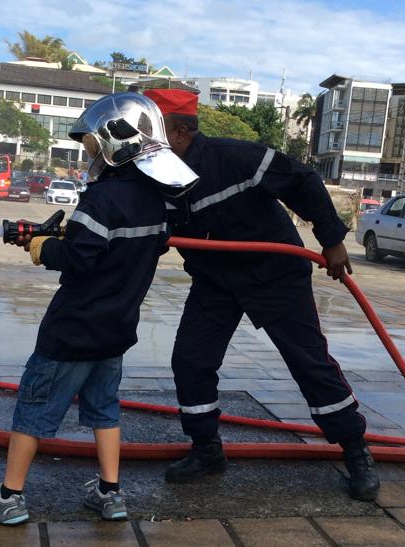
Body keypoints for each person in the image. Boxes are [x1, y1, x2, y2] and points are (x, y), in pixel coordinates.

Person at [0, 93, 198, 525]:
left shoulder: (100, 199)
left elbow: (80, 259)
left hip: (70, 332)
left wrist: (42, 247)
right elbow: (119, 247)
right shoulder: (158, 202)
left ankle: (8, 496)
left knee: (33, 408)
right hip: (115, 331)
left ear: (117, 142)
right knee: (105, 410)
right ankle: (111, 493)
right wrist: (64, 237)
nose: (90, 153)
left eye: (92, 146)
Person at [145, 88, 380, 501]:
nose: (143, 143)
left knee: (308, 362)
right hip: (215, 280)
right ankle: (206, 450)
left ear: (180, 132)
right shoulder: (159, 175)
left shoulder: (234, 157)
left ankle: (356, 450)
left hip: (275, 275)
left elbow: (302, 180)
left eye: (151, 131)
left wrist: (331, 240)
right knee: (190, 360)